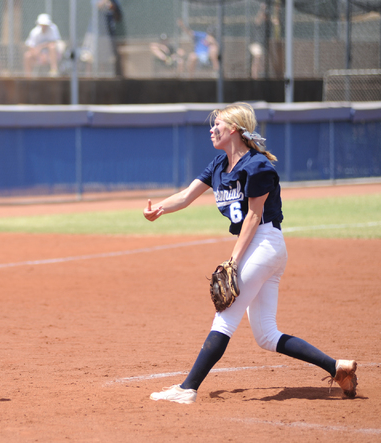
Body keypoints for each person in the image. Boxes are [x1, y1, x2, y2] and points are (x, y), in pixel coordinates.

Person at [143, 102, 357, 404]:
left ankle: (187, 389)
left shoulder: (257, 165)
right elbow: (188, 194)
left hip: (265, 243)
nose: (211, 129)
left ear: (233, 129)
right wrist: (160, 209)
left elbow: (254, 217)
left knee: (225, 317)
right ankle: (338, 368)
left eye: (217, 124)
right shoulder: (219, 164)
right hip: (261, 248)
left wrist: (234, 260)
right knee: (266, 335)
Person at [23, 13, 63, 77]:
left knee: (52, 47)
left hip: (52, 55)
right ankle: (28, 76)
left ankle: (54, 70)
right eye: (42, 24)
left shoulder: (53, 29)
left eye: (45, 24)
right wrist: (40, 55)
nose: (44, 26)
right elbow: (30, 46)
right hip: (39, 55)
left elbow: (54, 43)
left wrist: (41, 46)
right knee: (27, 55)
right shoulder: (34, 32)